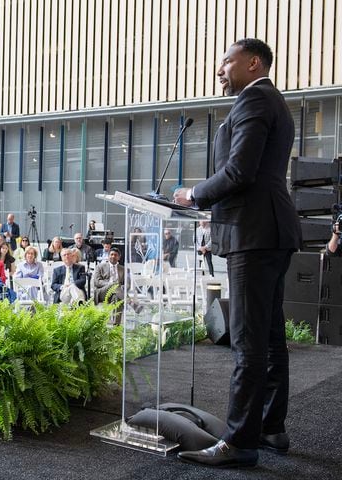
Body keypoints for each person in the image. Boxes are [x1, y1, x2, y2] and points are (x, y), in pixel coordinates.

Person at [173, 39, 302, 468]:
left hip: (255, 233)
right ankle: (269, 427)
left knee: (248, 341)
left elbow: (239, 172)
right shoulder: (270, 101)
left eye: (225, 61)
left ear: (252, 62)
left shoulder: (254, 100)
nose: (219, 70)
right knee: (268, 336)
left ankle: (239, 442)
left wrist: (193, 194)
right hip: (267, 230)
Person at [92, 247, 125, 324]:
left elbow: (127, 284)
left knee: (118, 299)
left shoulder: (123, 269)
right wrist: (109, 284)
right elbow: (97, 282)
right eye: (111, 254)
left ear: (119, 257)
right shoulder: (100, 267)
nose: (113, 256)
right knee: (115, 285)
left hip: (117, 294)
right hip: (102, 293)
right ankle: (131, 302)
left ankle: (116, 325)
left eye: (116, 255)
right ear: (108, 256)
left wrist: (123, 287)